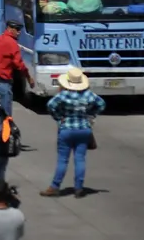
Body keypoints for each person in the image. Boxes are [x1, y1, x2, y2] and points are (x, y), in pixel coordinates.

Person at [40, 67, 106, 199]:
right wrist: (90, 114)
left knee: (63, 160)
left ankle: (55, 186)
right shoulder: (88, 94)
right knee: (80, 158)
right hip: (84, 129)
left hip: (67, 129)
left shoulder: (64, 95)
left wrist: (59, 117)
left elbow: (50, 105)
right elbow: (101, 104)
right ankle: (79, 187)